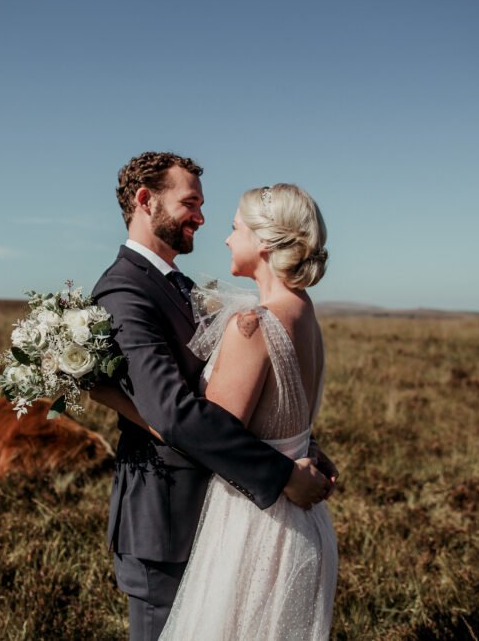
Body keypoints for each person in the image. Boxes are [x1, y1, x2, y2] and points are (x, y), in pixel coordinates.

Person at [89, 153, 337, 641]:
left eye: (221, 217)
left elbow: (253, 394)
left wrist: (297, 447)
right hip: (168, 522)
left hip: (234, 517)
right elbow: (177, 416)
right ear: (145, 200)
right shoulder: (124, 291)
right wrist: (285, 468)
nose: (205, 220)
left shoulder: (187, 288)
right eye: (191, 203)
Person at [158, 183, 337, 639]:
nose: (225, 239)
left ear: (262, 241)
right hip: (305, 524)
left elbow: (215, 436)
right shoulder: (304, 310)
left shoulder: (254, 325)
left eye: (235, 228)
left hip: (254, 523)